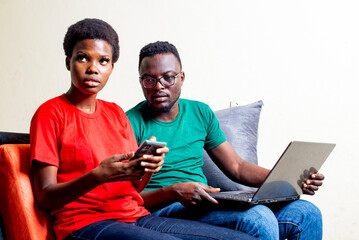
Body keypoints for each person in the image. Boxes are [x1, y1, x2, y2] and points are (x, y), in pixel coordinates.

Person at [30, 19, 255, 240]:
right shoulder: (50, 113)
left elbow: (135, 186)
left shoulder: (116, 114)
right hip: (84, 222)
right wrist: (98, 176)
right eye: (82, 58)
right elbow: (45, 197)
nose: (93, 68)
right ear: (68, 62)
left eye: (103, 61)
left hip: (134, 216)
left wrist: (148, 167)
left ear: (111, 67)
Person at [126, 41, 325, 240]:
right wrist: (172, 191)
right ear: (141, 81)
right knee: (258, 218)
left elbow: (237, 167)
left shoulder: (200, 112)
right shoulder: (129, 122)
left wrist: (287, 179)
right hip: (162, 210)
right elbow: (126, 197)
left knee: (306, 213)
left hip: (204, 203)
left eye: (168, 78)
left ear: (182, 78)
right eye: (149, 80)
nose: (158, 86)